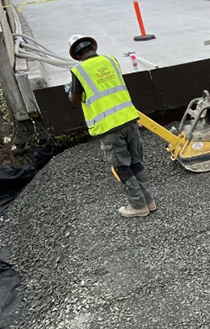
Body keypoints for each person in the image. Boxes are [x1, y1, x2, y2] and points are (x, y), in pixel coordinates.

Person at [66, 34, 156, 218]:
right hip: (129, 118)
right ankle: (149, 201)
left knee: (122, 166)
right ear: (93, 47)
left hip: (109, 126)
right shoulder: (110, 60)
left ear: (76, 55)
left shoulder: (79, 71)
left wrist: (70, 91)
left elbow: (75, 99)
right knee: (135, 161)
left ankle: (138, 206)